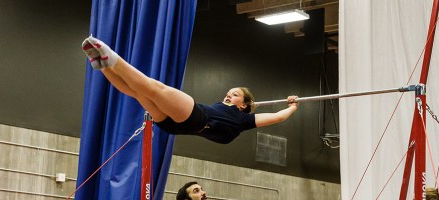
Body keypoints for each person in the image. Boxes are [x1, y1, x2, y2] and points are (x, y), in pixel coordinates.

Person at [81, 36, 300, 144]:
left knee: (155, 88)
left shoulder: (244, 120)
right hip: (178, 126)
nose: (227, 94)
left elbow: (278, 117)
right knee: (139, 92)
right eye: (228, 92)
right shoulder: (226, 110)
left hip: (195, 119)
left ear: (243, 104)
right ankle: (102, 65)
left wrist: (292, 106)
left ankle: (114, 58)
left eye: (234, 94)